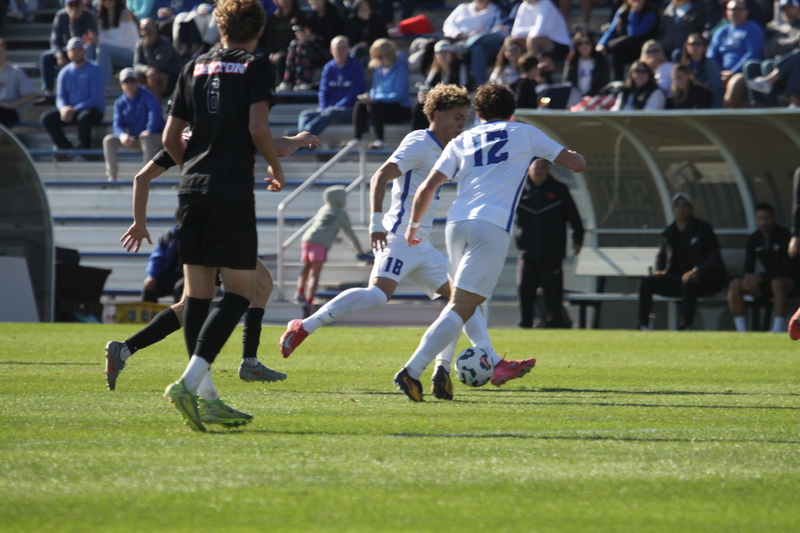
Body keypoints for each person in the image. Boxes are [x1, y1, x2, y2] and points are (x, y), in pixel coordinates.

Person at [280, 84, 527, 401]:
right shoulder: (419, 142)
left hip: (421, 244)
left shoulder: (448, 148)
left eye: (465, 118)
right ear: (436, 115)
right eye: (455, 117)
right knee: (378, 295)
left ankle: (470, 365)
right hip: (399, 236)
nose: (461, 124)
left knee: (463, 301)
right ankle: (304, 325)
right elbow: (381, 175)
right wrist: (376, 222)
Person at [393, 83, 586, 402]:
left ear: (478, 113)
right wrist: (572, 152)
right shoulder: (524, 132)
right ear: (512, 111)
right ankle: (412, 371)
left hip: (456, 223)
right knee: (463, 305)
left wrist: (413, 225)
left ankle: (454, 369)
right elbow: (577, 164)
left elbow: (428, 187)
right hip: (491, 225)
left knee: (459, 302)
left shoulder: (464, 137)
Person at [104, 129, 318, 392]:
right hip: (220, 221)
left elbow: (142, 176)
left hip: (196, 221)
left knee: (259, 286)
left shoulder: (187, 137)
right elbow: (276, 146)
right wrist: (301, 138)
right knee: (206, 302)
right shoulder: (226, 125)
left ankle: (247, 361)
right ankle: (132, 351)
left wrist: (139, 221)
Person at [159, 0, 284, 432]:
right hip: (230, 192)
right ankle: (190, 383)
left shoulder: (192, 66)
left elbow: (170, 137)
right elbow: (257, 128)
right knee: (240, 291)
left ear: (220, 24)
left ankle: (207, 396)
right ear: (258, 28)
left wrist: (192, 169)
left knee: (196, 295)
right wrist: (276, 165)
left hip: (190, 191)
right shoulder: (257, 66)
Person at [637, 192, 727, 331]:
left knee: (688, 281)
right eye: (677, 206)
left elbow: (715, 258)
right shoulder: (669, 233)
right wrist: (659, 270)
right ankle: (643, 325)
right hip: (678, 280)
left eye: (685, 205)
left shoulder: (703, 229)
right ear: (673, 209)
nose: (681, 209)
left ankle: (685, 326)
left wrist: (697, 271)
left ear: (691, 208)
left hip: (705, 280)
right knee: (647, 282)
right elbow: (662, 257)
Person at [514, 158, 584, 329]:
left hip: (552, 252)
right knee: (524, 289)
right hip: (527, 252)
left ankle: (554, 324)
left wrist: (578, 240)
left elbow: (574, 218)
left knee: (553, 293)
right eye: (536, 168)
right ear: (529, 170)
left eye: (543, 168)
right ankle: (526, 323)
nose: (539, 171)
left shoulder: (559, 190)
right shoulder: (519, 190)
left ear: (548, 170)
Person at [295, 185, 368, 317]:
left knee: (306, 267)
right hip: (320, 245)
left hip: (307, 239)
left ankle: (299, 291)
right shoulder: (341, 214)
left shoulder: (324, 209)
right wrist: (359, 251)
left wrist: (334, 238)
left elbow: (322, 227)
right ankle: (308, 301)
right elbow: (350, 233)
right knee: (315, 274)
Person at [728, 203, 798, 333]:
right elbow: (748, 265)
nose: (763, 222)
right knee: (735, 285)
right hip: (763, 286)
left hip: (789, 282)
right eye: (760, 219)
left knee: (777, 283)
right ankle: (741, 330)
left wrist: (761, 277)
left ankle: (778, 328)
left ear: (773, 218)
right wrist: (747, 279)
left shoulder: (784, 236)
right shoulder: (753, 238)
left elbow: (788, 268)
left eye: (767, 218)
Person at [40, 37, 105, 159]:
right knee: (47, 119)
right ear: (68, 53)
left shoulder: (95, 69)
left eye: (79, 49)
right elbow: (60, 96)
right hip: (71, 111)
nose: (76, 53)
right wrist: (63, 108)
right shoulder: (64, 72)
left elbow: (95, 98)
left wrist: (75, 109)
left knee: (84, 117)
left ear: (84, 51)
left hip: (92, 110)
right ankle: (66, 148)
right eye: (73, 50)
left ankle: (86, 152)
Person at [296, 36, 365, 137]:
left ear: (348, 49)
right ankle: (304, 140)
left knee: (332, 112)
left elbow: (354, 93)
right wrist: (323, 108)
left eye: (343, 48)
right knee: (305, 115)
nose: (340, 51)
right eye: (338, 48)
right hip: (329, 110)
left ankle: (302, 139)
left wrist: (334, 108)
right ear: (331, 50)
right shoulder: (328, 67)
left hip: (349, 110)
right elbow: (323, 92)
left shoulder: (356, 67)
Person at [102, 68, 164, 182]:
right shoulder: (119, 103)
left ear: (137, 82)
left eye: (132, 81)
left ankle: (147, 178)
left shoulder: (147, 95)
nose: (130, 84)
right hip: (136, 139)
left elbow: (155, 113)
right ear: (121, 84)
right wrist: (123, 135)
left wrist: (149, 130)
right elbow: (117, 124)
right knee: (109, 140)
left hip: (155, 137)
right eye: (126, 81)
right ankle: (112, 177)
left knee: (147, 140)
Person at [352, 38, 411, 150]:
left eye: (380, 57)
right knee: (360, 104)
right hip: (380, 105)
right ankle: (357, 139)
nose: (378, 60)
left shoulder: (401, 69)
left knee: (375, 106)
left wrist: (375, 98)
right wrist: (369, 97)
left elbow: (399, 95)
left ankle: (380, 140)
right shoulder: (379, 70)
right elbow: (374, 89)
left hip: (400, 108)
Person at [36, 0, 98, 106]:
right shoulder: (60, 16)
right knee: (46, 57)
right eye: (70, 5)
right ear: (65, 5)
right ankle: (48, 93)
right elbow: (55, 40)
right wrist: (59, 55)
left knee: (90, 51)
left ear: (82, 4)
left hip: (84, 52)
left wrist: (73, 23)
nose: (74, 8)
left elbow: (80, 42)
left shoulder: (89, 17)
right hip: (66, 51)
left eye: (77, 4)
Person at [706, 0, 764, 108]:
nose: (735, 12)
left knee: (736, 82)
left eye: (739, 9)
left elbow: (752, 55)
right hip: (720, 73)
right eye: (732, 9)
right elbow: (711, 57)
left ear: (746, 12)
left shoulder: (753, 29)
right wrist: (718, 73)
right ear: (727, 12)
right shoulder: (721, 32)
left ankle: (722, 117)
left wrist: (732, 72)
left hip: (743, 74)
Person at [277, 0, 344, 92]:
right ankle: (288, 81)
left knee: (303, 46)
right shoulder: (313, 18)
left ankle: (304, 81)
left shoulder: (333, 17)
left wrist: (314, 38)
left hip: (328, 51)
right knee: (295, 43)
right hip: (313, 50)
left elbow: (331, 40)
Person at [743, 0, 800, 107]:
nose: (787, 11)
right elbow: (768, 50)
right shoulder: (774, 28)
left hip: (791, 67)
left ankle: (772, 105)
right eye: (783, 9)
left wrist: (781, 47)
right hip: (776, 61)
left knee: (769, 64)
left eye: (790, 8)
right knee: (750, 66)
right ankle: (758, 104)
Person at [411, 40, 474, 130]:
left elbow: (464, 87)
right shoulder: (435, 69)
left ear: (451, 55)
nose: (443, 56)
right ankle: (420, 132)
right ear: (436, 56)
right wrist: (423, 94)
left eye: (446, 53)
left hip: (458, 100)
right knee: (419, 105)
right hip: (442, 101)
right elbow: (428, 86)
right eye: (440, 53)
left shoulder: (460, 66)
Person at [596, 0, 660, 81]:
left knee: (628, 40)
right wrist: (601, 43)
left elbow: (633, 33)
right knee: (617, 52)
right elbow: (612, 30)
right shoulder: (622, 11)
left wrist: (634, 13)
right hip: (624, 48)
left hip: (642, 50)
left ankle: (607, 48)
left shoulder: (651, 13)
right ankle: (618, 81)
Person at [86, 0, 139, 86]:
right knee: (89, 46)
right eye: (104, 1)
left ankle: (103, 86)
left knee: (103, 48)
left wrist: (99, 40)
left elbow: (124, 43)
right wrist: (93, 39)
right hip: (112, 54)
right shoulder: (102, 16)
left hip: (130, 54)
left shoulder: (125, 15)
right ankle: (88, 81)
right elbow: (101, 39)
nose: (107, 3)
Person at [133, 18, 183, 104]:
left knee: (153, 75)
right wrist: (146, 69)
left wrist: (147, 48)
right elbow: (136, 65)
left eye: (151, 28)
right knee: (138, 76)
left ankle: (157, 106)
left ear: (156, 29)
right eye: (145, 29)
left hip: (171, 77)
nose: (148, 31)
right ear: (140, 31)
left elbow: (158, 65)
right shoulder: (140, 44)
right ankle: (143, 104)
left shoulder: (165, 43)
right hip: (152, 74)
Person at [679, 33, 723, 107]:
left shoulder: (711, 65)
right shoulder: (684, 65)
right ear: (686, 46)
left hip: (709, 105)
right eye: (692, 44)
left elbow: (713, 89)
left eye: (698, 44)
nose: (695, 47)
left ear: (704, 47)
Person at [0, 39, 37, 127]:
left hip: (9, 110)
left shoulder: (15, 72)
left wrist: (12, 105)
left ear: (6, 53)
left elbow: (31, 94)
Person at [563, 31, 610, 98]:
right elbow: (567, 83)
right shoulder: (572, 61)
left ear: (592, 44)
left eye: (587, 43)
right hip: (576, 98)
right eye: (580, 43)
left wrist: (590, 95)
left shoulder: (601, 60)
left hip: (596, 98)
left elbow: (604, 83)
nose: (584, 46)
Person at [344, 0, 388, 65]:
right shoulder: (352, 20)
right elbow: (350, 37)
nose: (364, 9)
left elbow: (383, 36)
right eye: (361, 7)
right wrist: (360, 21)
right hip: (356, 50)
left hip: (375, 48)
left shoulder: (377, 19)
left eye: (366, 6)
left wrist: (367, 42)